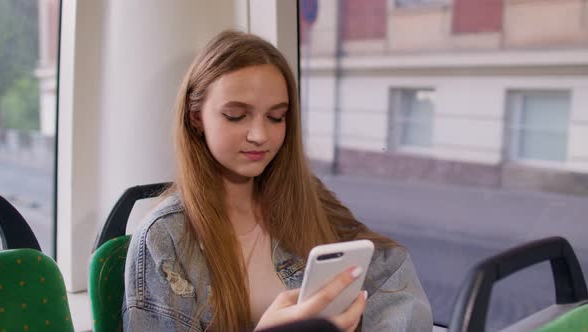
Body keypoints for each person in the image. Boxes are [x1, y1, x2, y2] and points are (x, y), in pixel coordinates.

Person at [122, 30, 432, 332]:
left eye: (276, 117)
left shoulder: (307, 198)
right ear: (196, 116)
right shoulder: (162, 240)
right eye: (236, 115)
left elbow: (394, 277)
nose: (260, 136)